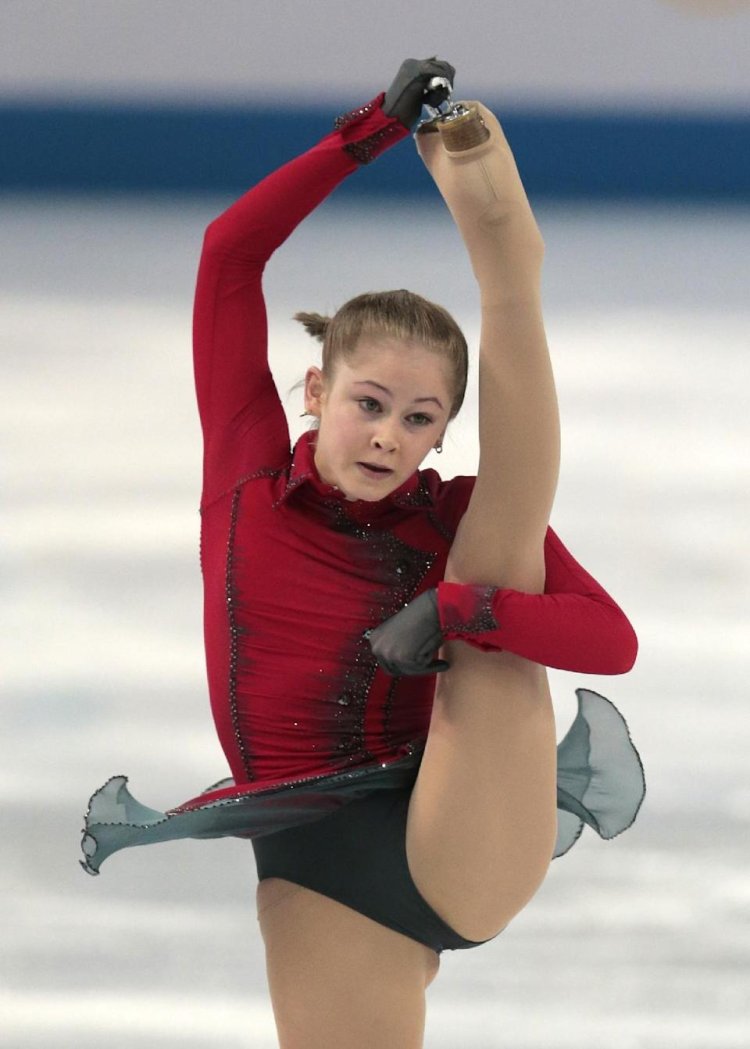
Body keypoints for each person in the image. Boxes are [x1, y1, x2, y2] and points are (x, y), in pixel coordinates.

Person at [81, 59, 644, 1049]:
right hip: (316, 864)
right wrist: (363, 136)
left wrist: (464, 612)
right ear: (315, 391)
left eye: (420, 418)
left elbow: (612, 640)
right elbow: (227, 257)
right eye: (370, 403)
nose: (388, 435)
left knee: (491, 560)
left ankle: (507, 265)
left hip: (459, 826)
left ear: (440, 436)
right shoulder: (245, 481)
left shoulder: (453, 516)